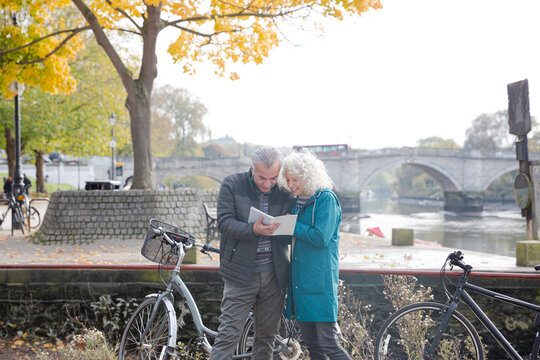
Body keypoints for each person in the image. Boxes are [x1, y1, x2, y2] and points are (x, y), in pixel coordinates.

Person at [210, 147, 295, 360]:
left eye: (273, 178)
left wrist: (287, 226)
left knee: (266, 339)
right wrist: (253, 230)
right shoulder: (232, 184)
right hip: (240, 275)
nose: (267, 184)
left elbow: (289, 238)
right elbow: (224, 224)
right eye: (261, 178)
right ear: (251, 169)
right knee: (228, 336)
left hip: (274, 277)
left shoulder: (286, 191)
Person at [278, 150, 352, 360]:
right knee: (313, 345)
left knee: (329, 344)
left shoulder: (326, 199)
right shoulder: (298, 200)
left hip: (320, 281)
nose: (291, 184)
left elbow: (321, 237)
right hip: (301, 281)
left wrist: (291, 225)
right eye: (288, 179)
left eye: (296, 179)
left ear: (309, 176)